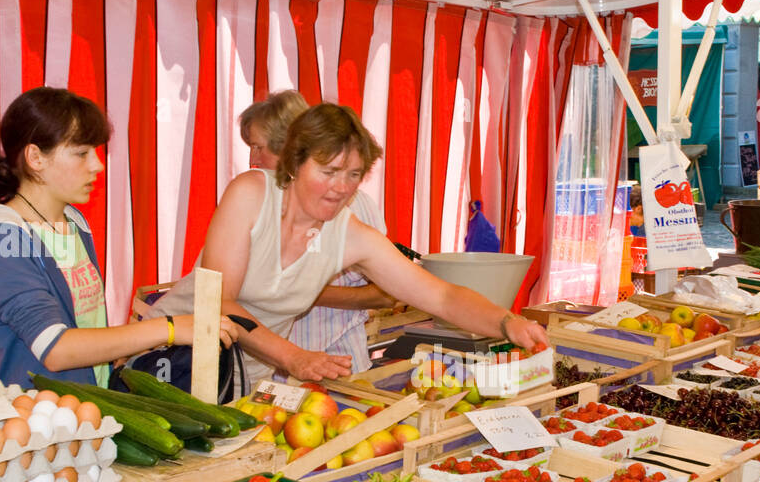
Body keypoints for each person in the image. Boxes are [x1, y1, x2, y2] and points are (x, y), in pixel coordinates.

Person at [146, 102, 547, 388]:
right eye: (329, 171)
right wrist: (293, 357)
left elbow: (440, 297)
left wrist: (506, 322)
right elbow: (218, 302)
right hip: (168, 361)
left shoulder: (349, 234)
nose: (342, 187)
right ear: (294, 163)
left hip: (242, 380)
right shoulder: (250, 194)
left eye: (354, 174)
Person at [0, 87, 236, 388]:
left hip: (90, 410)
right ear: (35, 157)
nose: (97, 165)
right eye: (82, 153)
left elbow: (86, 327)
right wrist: (169, 328)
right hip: (39, 421)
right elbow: (56, 349)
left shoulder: (74, 221)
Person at [239, 91, 394, 374]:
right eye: (251, 147)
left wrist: (287, 290)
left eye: (260, 147)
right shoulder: (253, 201)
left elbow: (385, 295)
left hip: (336, 359)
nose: (253, 159)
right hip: (267, 366)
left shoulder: (352, 206)